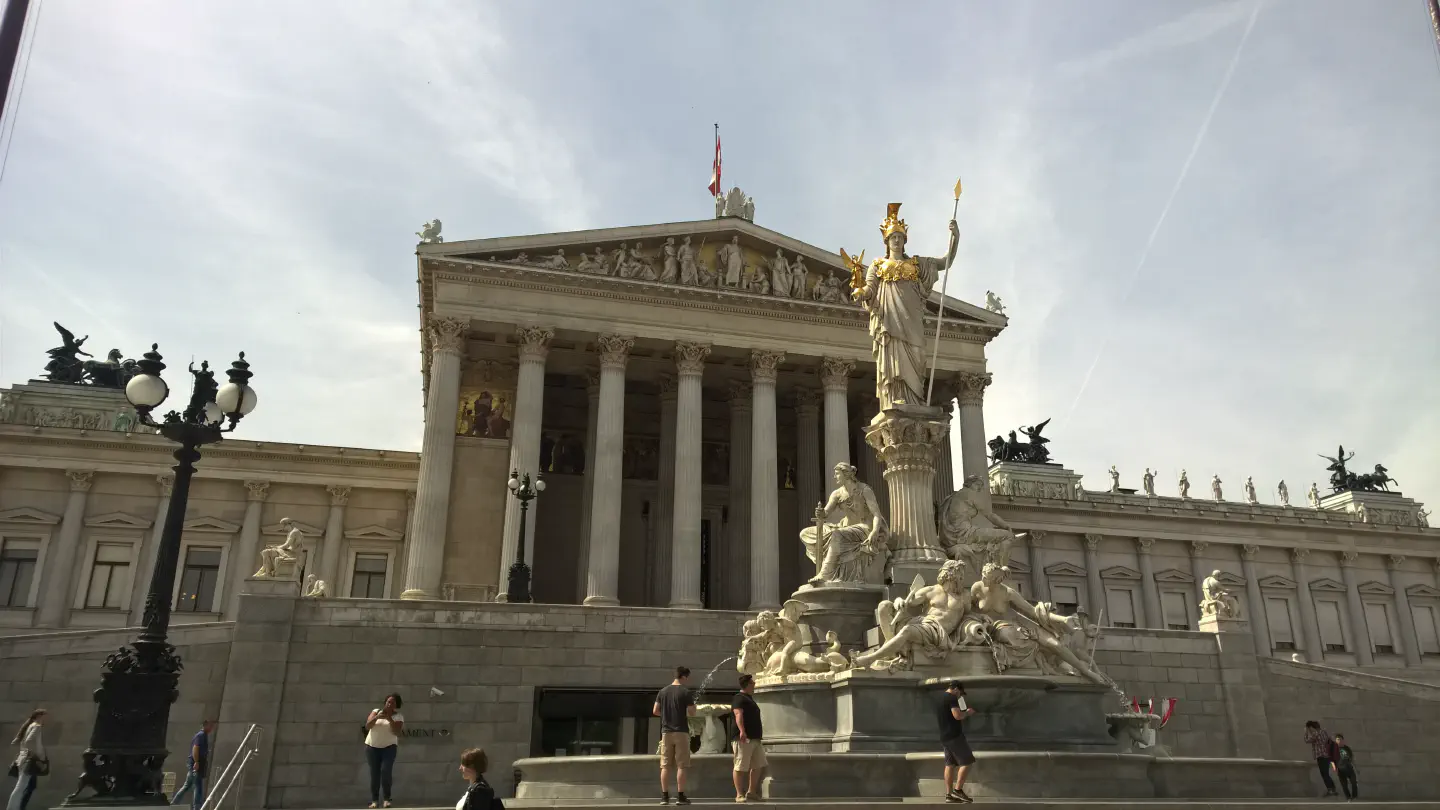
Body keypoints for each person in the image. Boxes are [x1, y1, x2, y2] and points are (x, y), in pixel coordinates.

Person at [653, 666, 696, 805]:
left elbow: (655, 711)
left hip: (666, 732)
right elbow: (692, 712)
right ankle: (680, 796)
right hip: (681, 731)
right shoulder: (685, 692)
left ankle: (664, 797)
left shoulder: (663, 691)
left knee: (665, 765)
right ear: (683, 676)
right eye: (687, 678)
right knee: (681, 765)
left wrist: (666, 715)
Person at [938, 682, 977, 803]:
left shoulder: (940, 698)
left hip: (944, 736)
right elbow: (957, 716)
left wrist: (961, 702)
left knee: (950, 765)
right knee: (968, 761)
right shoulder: (951, 698)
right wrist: (968, 713)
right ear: (955, 689)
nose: (960, 695)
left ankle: (949, 795)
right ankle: (958, 790)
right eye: (959, 692)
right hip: (954, 736)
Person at [364, 693, 405, 808]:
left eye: (392, 702)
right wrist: (377, 717)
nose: (389, 704)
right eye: (388, 701)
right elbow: (367, 726)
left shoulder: (398, 717)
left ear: (396, 705)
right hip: (372, 747)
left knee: (386, 771)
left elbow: (397, 732)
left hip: (389, 748)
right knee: (374, 774)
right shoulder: (376, 711)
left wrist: (389, 719)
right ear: (385, 702)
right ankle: (374, 800)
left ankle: (387, 799)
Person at [731, 674, 766, 803]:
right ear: (747, 685)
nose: (754, 686)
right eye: (753, 684)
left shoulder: (749, 698)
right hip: (744, 738)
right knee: (740, 766)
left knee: (758, 765)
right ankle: (739, 794)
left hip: (755, 738)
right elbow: (738, 714)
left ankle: (751, 792)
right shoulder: (738, 698)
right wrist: (742, 731)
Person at [7, 710, 46, 810]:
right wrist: (36, 757)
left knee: (24, 787)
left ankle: (15, 807)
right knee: (21, 787)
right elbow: (29, 741)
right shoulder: (36, 726)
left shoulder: (30, 726)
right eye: (44, 717)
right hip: (28, 760)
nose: (45, 719)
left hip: (23, 759)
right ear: (38, 716)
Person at [173, 720, 215, 810]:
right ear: (206, 726)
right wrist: (197, 762)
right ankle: (197, 807)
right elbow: (195, 748)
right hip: (196, 765)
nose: (212, 728)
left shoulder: (203, 735)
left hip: (195, 765)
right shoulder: (201, 735)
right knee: (198, 787)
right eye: (210, 726)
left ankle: (174, 803)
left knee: (187, 785)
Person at [1303, 720, 1337, 797]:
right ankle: (1332, 789)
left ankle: (1331, 790)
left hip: (1321, 756)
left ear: (1312, 727)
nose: (1309, 730)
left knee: (1324, 773)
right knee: (1326, 773)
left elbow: (1307, 740)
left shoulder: (1316, 733)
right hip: (1327, 755)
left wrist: (1306, 733)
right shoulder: (1323, 732)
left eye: (1309, 728)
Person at [1333, 734, 1357, 801]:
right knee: (1344, 785)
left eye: (1340, 739)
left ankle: (1354, 796)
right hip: (1340, 769)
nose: (1339, 741)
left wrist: (1356, 768)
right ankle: (1348, 797)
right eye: (1338, 739)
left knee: (1354, 782)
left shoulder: (1347, 748)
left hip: (1349, 768)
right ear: (1336, 741)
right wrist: (1335, 768)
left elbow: (1352, 759)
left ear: (1343, 740)